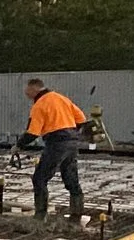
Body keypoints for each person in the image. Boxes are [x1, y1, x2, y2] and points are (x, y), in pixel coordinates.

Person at [21, 78, 89, 223]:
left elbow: (32, 133)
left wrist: (18, 146)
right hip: (71, 143)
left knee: (39, 179)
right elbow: (81, 118)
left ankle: (40, 215)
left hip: (56, 143)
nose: (25, 92)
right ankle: (77, 215)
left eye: (27, 89)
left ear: (34, 89)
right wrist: (71, 134)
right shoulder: (61, 98)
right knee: (71, 178)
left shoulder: (39, 105)